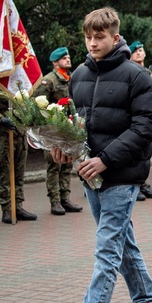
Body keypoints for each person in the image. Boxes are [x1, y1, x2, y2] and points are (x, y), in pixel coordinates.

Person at [55, 7, 152, 303]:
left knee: (107, 248)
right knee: (121, 242)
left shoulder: (137, 76)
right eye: (88, 37)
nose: (92, 42)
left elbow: (146, 128)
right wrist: (62, 148)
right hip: (91, 177)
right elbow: (76, 126)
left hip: (122, 175)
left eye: (99, 36)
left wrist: (105, 159)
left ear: (115, 37)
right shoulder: (79, 76)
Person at [32, 47, 85, 214]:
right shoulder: (49, 81)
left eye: (68, 57)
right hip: (54, 130)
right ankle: (55, 201)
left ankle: (65, 198)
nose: (68, 60)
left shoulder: (72, 78)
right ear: (55, 62)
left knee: (67, 164)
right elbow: (39, 105)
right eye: (64, 58)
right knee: (54, 166)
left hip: (69, 128)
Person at [0, 81, 38, 223]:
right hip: (4, 135)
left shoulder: (22, 78)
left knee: (19, 173)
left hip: (20, 133)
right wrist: (0, 118)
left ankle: (18, 206)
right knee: (5, 173)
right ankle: (7, 209)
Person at [128, 41, 152, 200]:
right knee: (135, 154)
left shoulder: (148, 72)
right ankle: (135, 186)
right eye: (137, 51)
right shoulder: (129, 71)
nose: (140, 53)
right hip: (134, 118)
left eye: (141, 50)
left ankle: (143, 184)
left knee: (146, 154)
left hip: (148, 117)